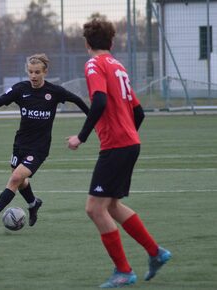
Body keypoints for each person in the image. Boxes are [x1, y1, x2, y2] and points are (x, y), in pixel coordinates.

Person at [66, 19, 171, 288]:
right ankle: (155, 253)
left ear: (87, 43)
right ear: (111, 43)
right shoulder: (118, 66)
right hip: (128, 143)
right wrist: (127, 135)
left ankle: (124, 270)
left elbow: (99, 100)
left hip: (117, 145)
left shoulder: (93, 64)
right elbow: (139, 112)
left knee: (94, 208)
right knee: (110, 206)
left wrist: (82, 136)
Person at [0, 53, 89, 230]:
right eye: (30, 72)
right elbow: (0, 100)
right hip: (20, 143)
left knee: (15, 177)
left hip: (39, 147)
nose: (33, 76)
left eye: (37, 72)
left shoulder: (54, 92)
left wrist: (92, 120)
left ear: (45, 72)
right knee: (21, 180)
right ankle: (33, 203)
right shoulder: (20, 89)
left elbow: (77, 100)